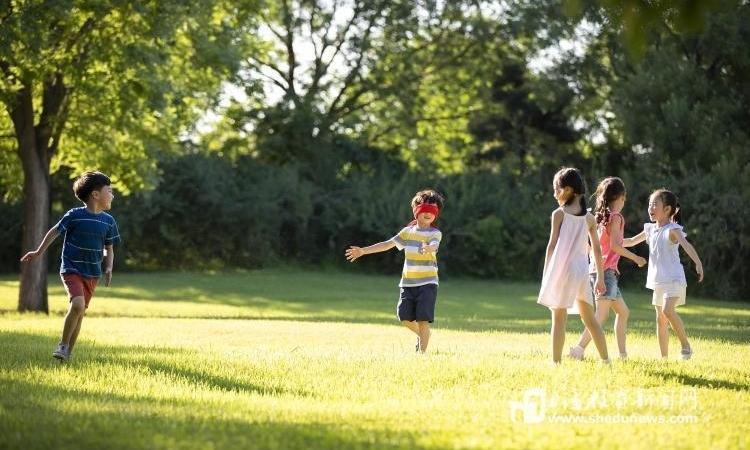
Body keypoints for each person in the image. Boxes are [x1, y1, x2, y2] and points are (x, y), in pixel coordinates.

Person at [21, 171, 121, 361]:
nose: (113, 195)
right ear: (95, 194)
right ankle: (63, 344)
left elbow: (108, 248)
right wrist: (38, 251)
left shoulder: (109, 222)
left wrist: (108, 266)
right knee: (77, 304)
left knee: (80, 312)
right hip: (72, 268)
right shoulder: (75, 215)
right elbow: (54, 231)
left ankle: (67, 354)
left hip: (92, 273)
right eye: (110, 190)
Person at [346, 189, 444, 353]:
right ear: (416, 211)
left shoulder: (435, 233)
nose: (428, 213)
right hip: (408, 283)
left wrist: (429, 248)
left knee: (422, 319)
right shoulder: (407, 233)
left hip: (428, 282)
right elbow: (387, 244)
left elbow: (434, 244)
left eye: (433, 210)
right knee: (404, 317)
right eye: (425, 209)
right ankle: (424, 335)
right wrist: (363, 251)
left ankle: (422, 355)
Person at [538, 167, 610, 364]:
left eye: (557, 189)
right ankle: (606, 360)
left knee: (559, 319)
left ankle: (556, 362)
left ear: (568, 190)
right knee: (590, 320)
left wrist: (546, 274)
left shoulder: (559, 214)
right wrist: (601, 278)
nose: (554, 193)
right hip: (581, 272)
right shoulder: (589, 218)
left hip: (564, 270)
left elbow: (551, 246)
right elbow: (596, 250)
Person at [570, 177, 646, 360]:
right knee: (600, 317)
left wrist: (639, 239)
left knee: (623, 312)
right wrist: (636, 257)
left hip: (598, 270)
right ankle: (578, 350)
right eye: (624, 199)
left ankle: (622, 354)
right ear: (620, 197)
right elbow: (615, 246)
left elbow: (615, 243)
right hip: (607, 273)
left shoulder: (601, 218)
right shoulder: (617, 217)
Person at [624, 189, 703, 360]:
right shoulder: (650, 229)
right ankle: (664, 358)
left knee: (668, 311)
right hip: (658, 281)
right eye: (650, 204)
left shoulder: (673, 230)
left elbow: (687, 246)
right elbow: (630, 242)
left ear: (667, 209)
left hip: (674, 278)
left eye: (655, 204)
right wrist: (611, 241)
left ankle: (685, 346)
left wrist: (698, 263)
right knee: (660, 319)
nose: (650, 208)